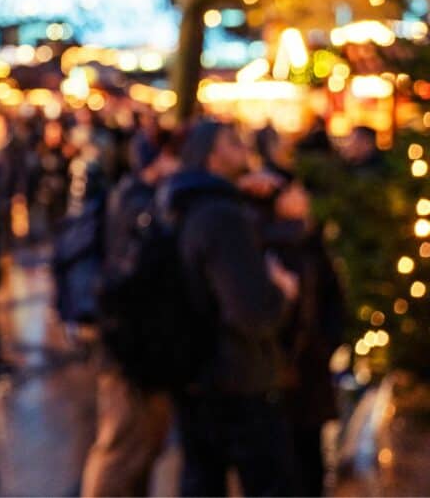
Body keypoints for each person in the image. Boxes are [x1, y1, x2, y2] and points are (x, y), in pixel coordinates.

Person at [164, 120, 299, 497]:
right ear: (213, 156)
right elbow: (254, 312)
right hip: (240, 376)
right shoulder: (222, 217)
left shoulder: (183, 205)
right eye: (233, 143)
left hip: (197, 373)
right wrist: (283, 291)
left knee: (202, 478)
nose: (244, 148)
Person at [81, 135, 180, 496]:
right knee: (121, 449)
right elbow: (130, 281)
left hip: (133, 346)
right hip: (129, 349)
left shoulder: (134, 196)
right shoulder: (140, 205)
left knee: (136, 449)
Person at [264, 181, 346, 496]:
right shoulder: (274, 242)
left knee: (310, 449)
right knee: (290, 452)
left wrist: (327, 342)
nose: (303, 196)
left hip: (311, 361)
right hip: (285, 365)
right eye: (293, 191)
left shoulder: (311, 240)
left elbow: (331, 299)